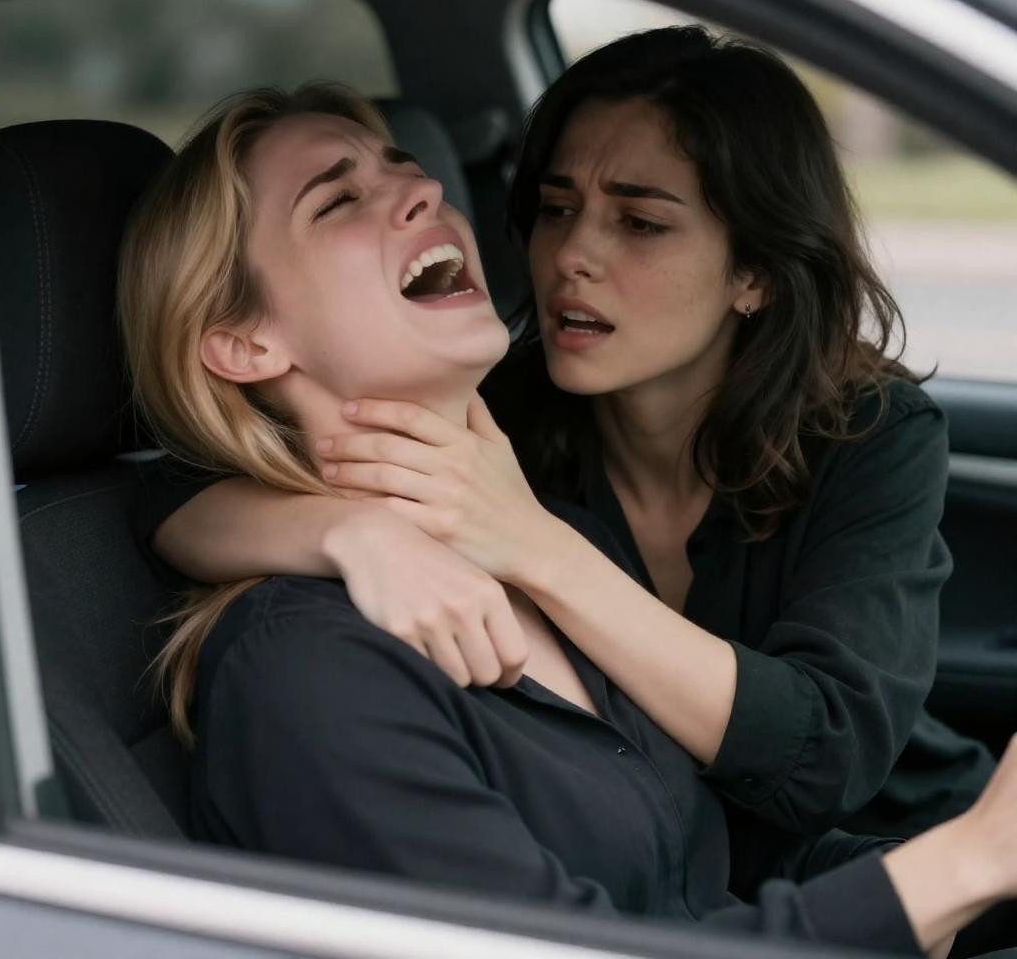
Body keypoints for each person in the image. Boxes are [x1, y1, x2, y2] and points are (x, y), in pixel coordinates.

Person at [118, 79, 1017, 957]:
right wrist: (956, 871)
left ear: (753, 273)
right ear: (242, 343)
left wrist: (956, 886)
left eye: (641, 222)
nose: (424, 186)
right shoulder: (308, 668)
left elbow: (706, 869)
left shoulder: (539, 529)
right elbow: (162, 488)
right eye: (338, 200)